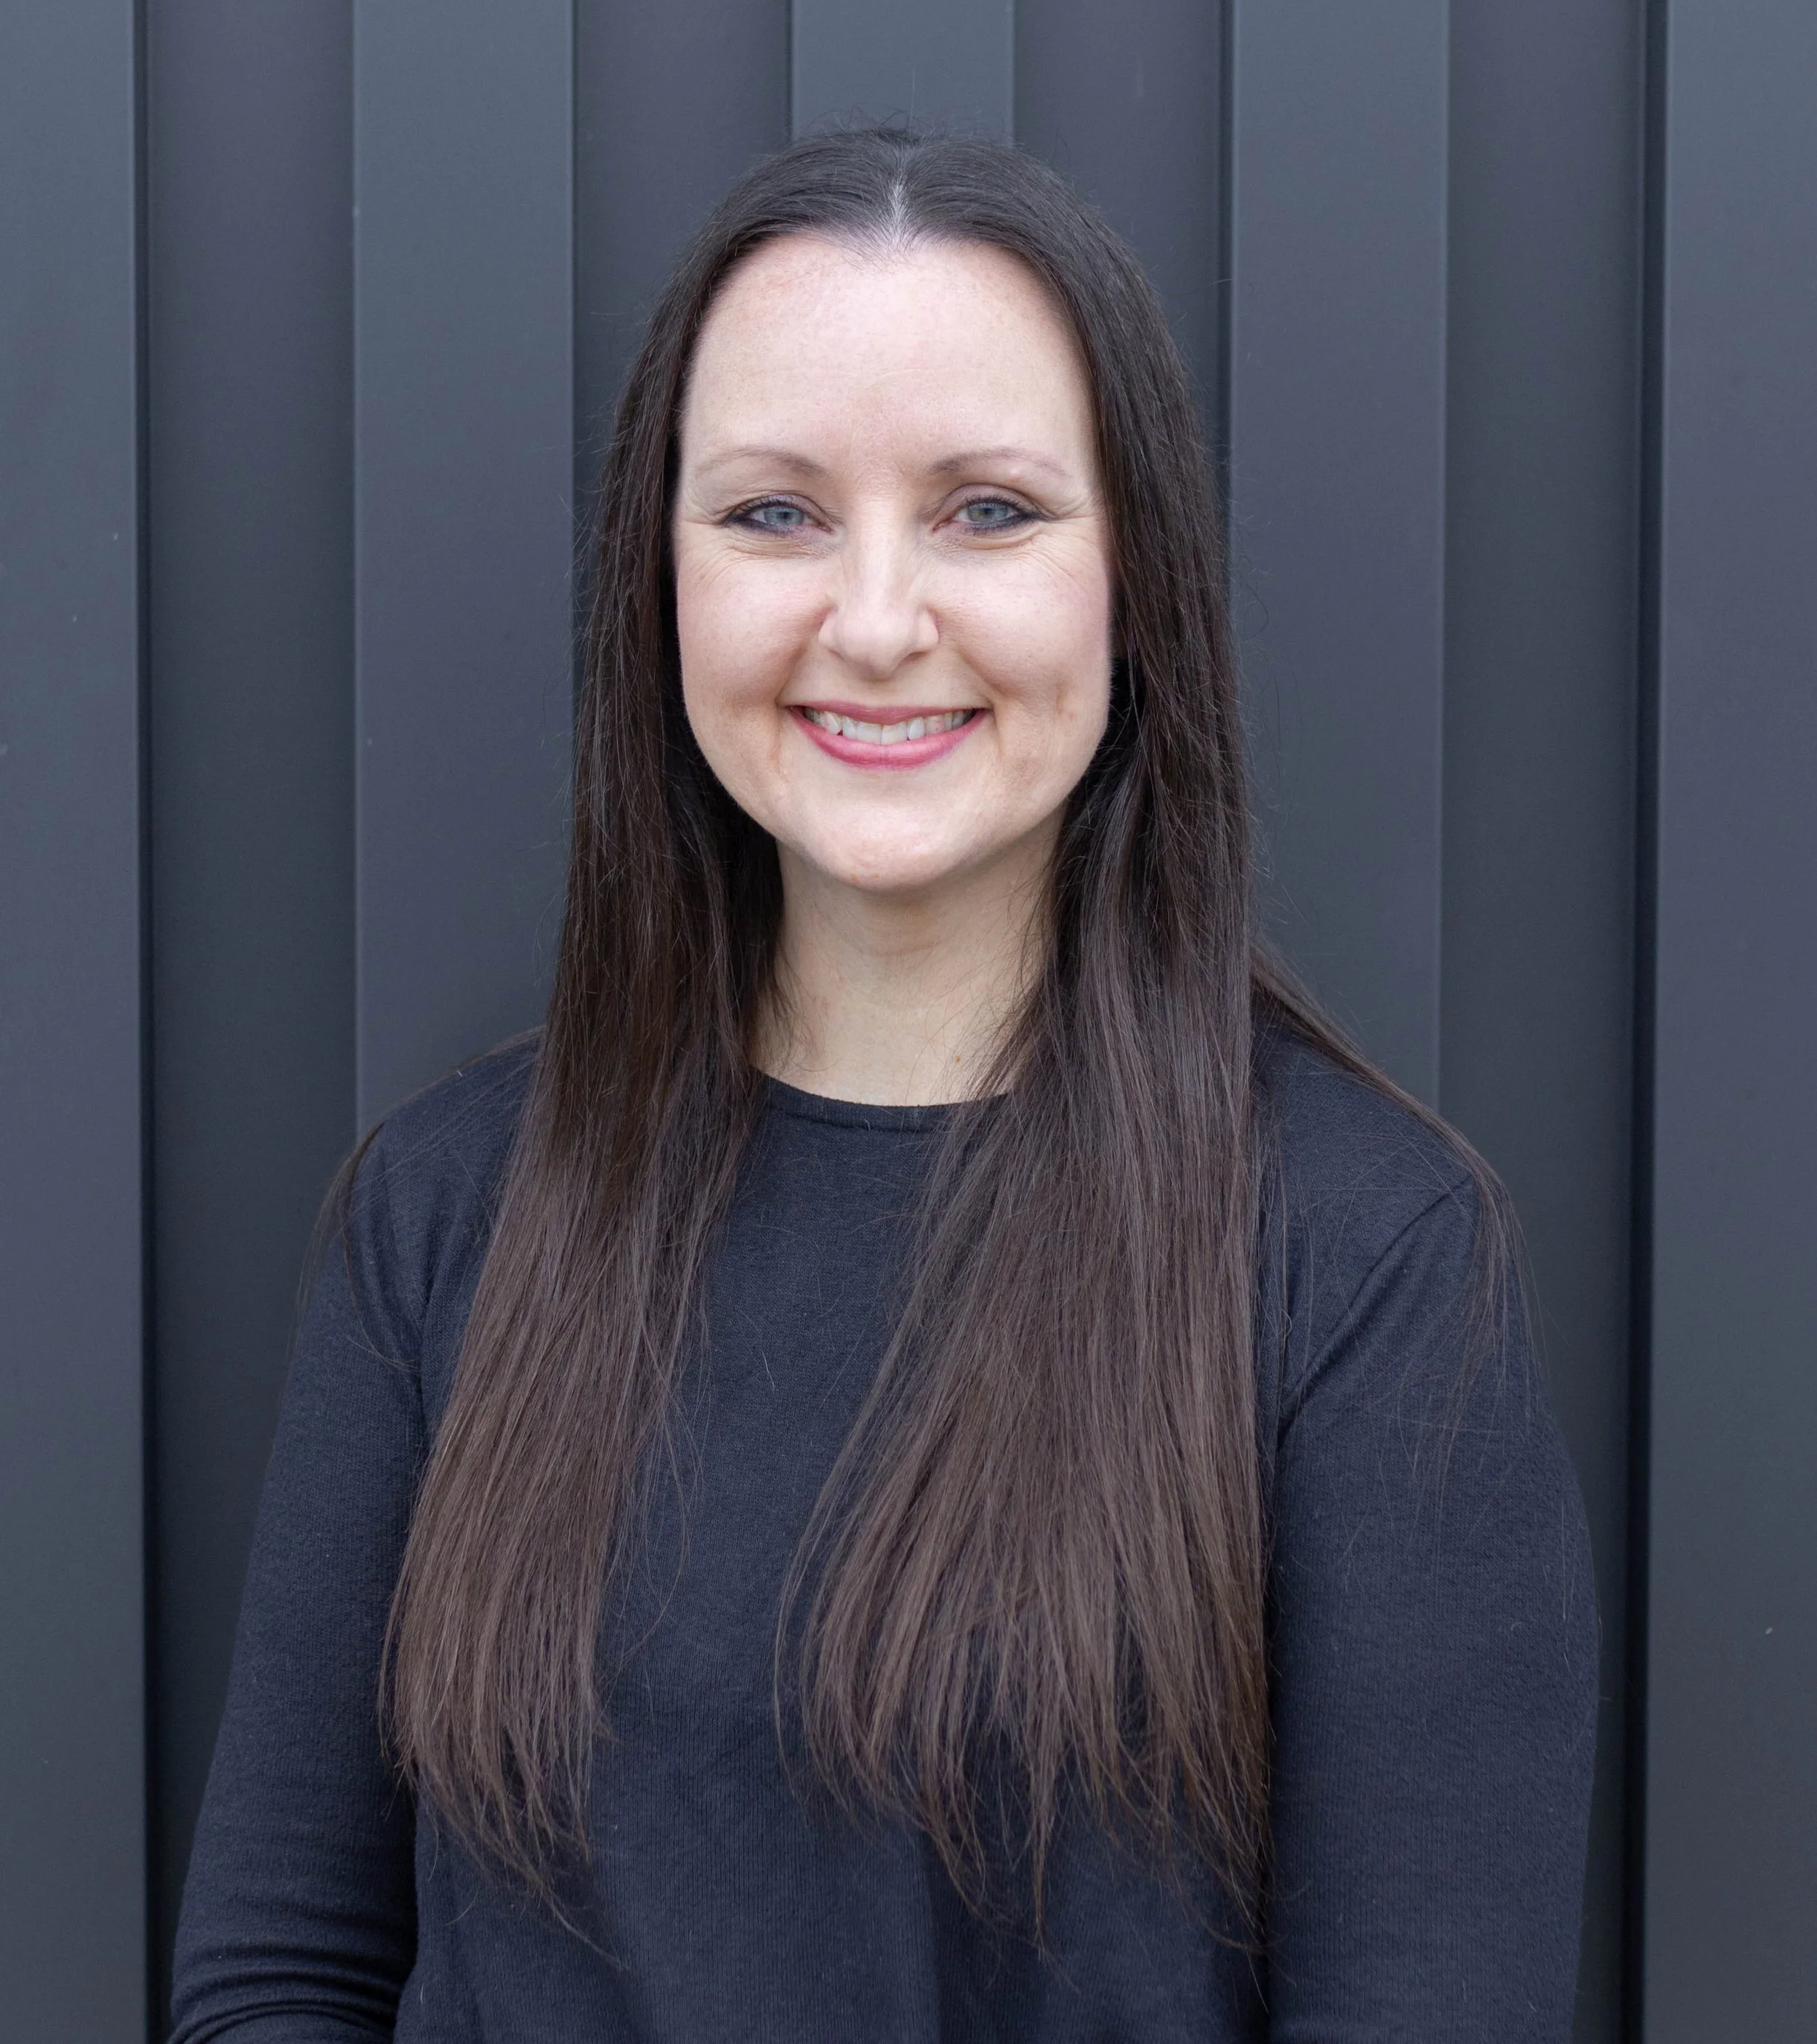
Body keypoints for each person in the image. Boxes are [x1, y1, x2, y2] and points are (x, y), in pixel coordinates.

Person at [171, 127, 1597, 2041]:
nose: (869, 616)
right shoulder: (444, 1219)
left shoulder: (1366, 1269)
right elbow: (277, 1974)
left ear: (1133, 579)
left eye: (985, 510)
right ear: (655, 574)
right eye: (770, 513)